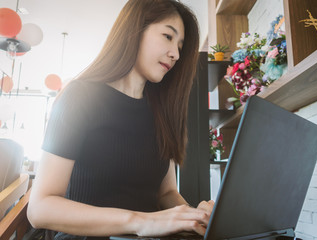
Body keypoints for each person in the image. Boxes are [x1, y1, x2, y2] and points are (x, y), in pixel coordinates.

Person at [27, 0, 214, 239]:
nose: (176, 54)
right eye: (168, 36)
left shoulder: (161, 110)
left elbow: (166, 193)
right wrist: (140, 221)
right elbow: (40, 208)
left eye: (180, 45)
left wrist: (194, 217)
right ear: (134, 31)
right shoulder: (80, 96)